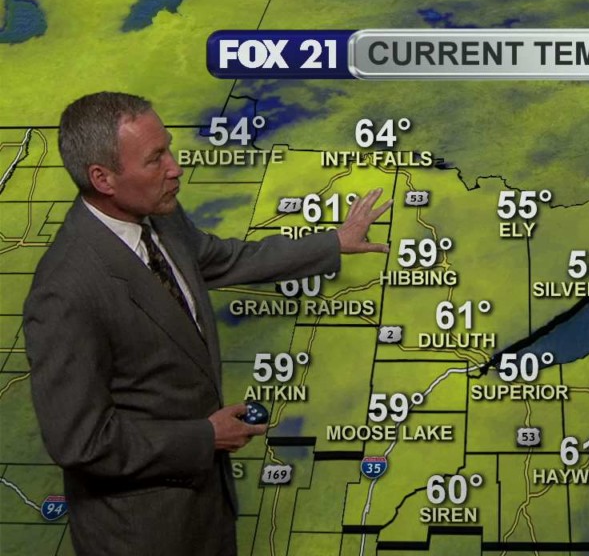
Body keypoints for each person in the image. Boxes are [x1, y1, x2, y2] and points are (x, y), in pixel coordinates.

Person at [22, 92, 391, 556]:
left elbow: (227, 259)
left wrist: (334, 242)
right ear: (103, 178)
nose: (175, 168)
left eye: (169, 150)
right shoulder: (66, 290)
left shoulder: (162, 221)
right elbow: (81, 442)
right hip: (140, 534)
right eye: (155, 159)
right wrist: (205, 437)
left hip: (206, 514)